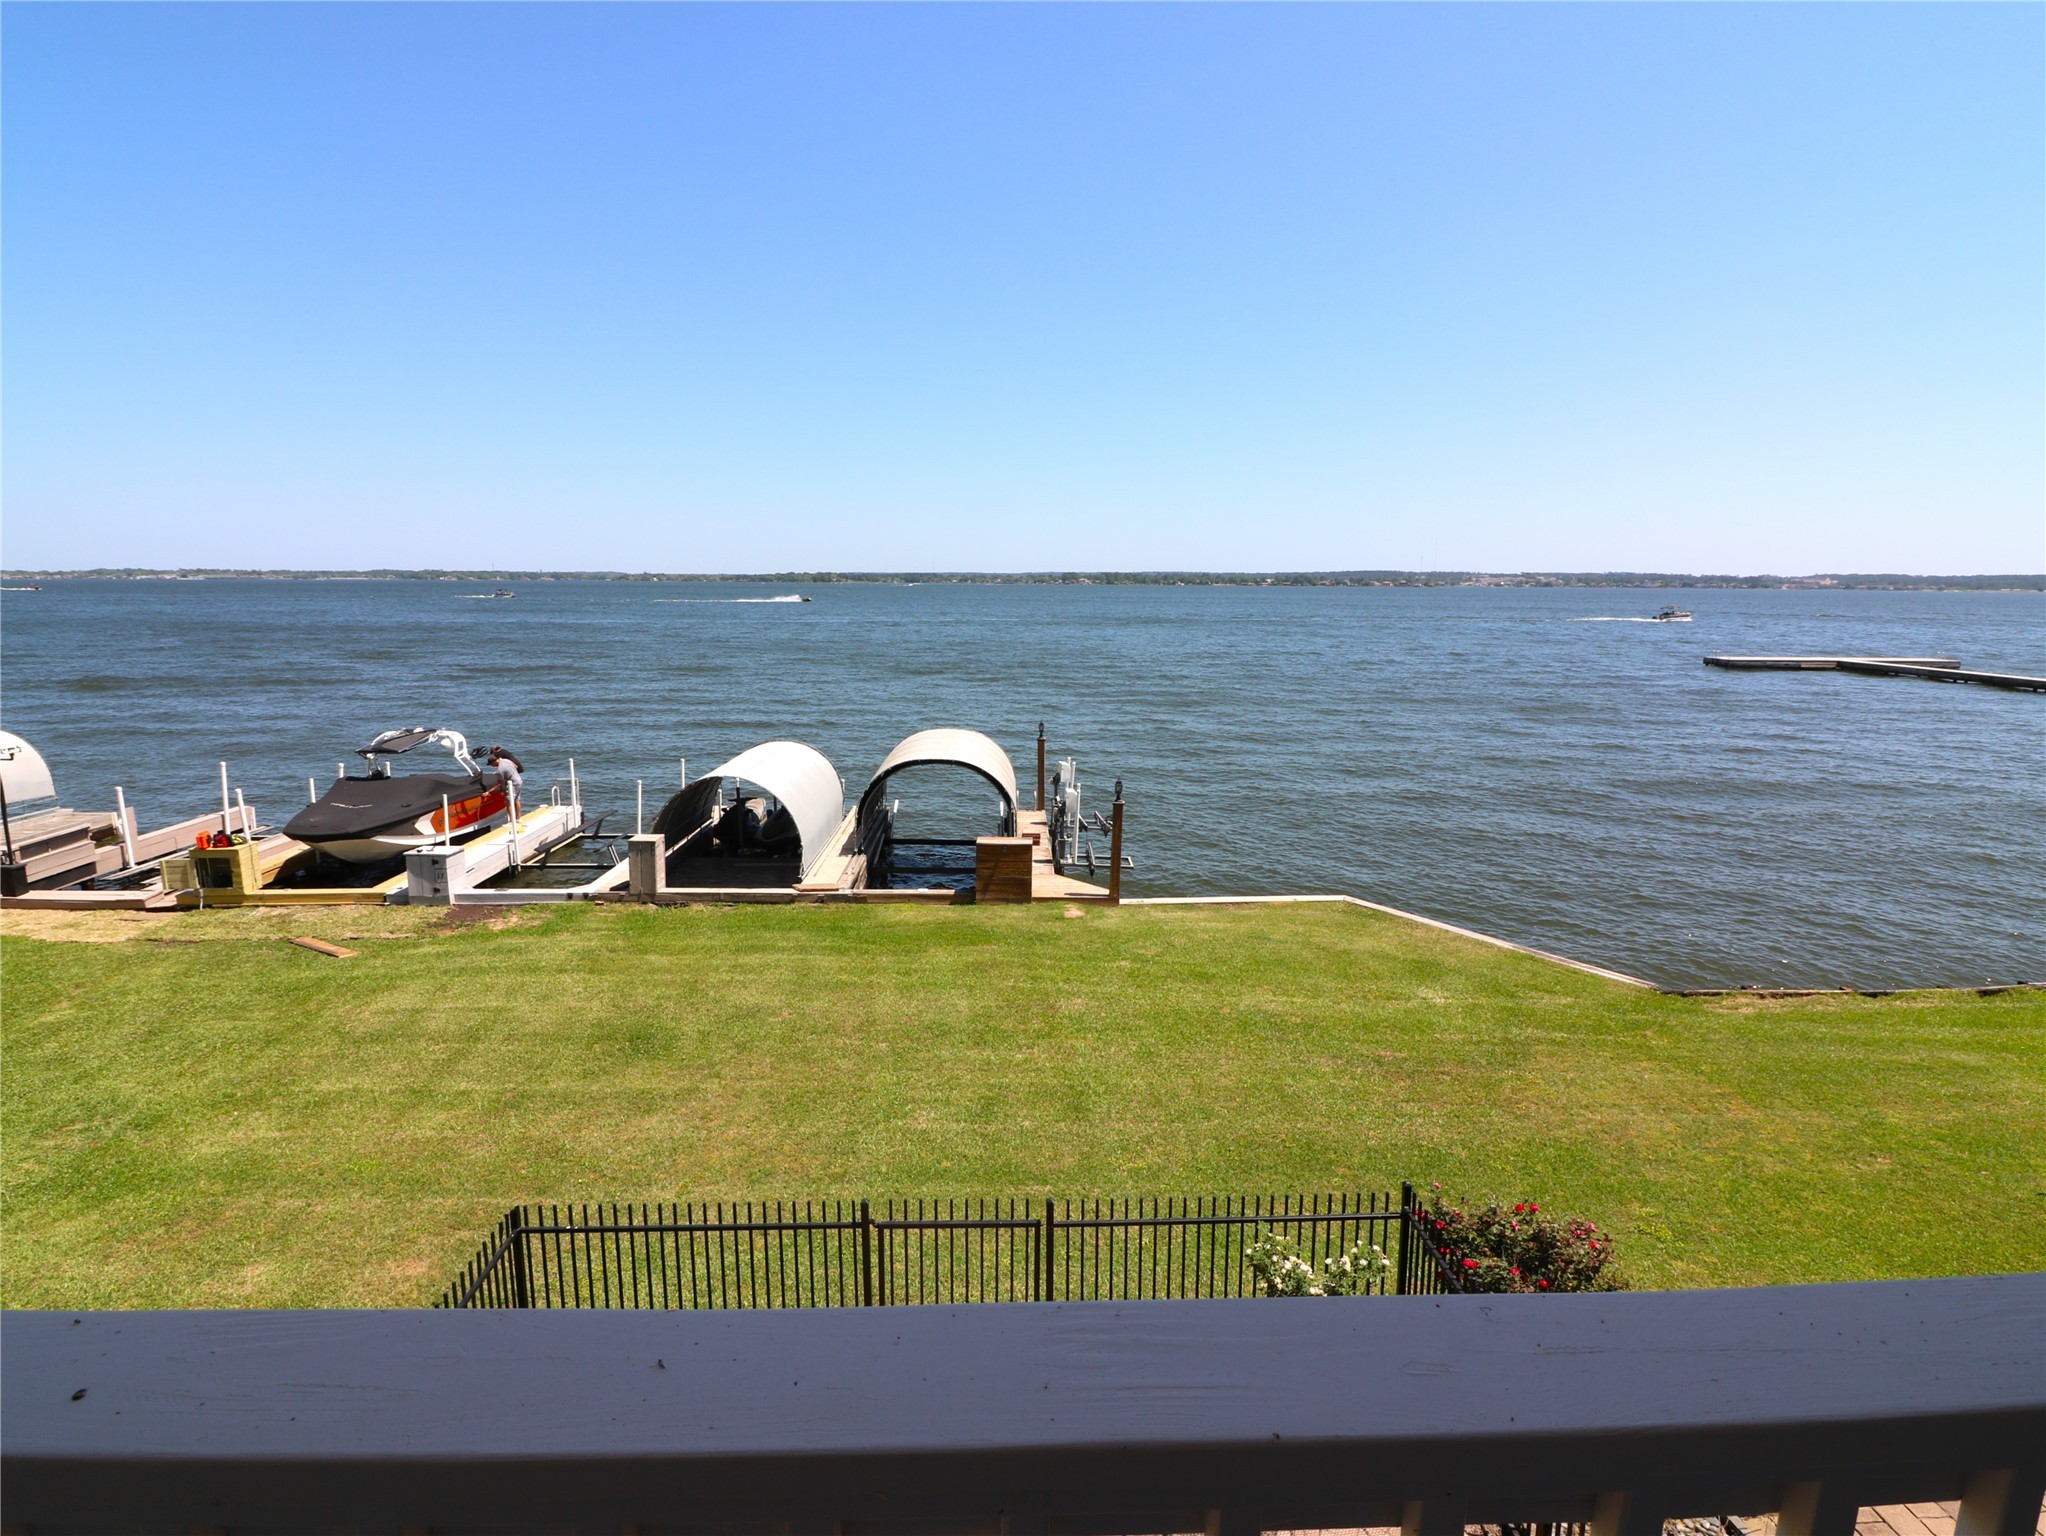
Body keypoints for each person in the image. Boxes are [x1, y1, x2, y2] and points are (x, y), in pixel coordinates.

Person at [485, 746, 524, 815]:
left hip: (513, 785)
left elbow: (500, 783)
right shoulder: (506, 760)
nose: (492, 766)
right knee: (517, 800)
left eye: (491, 764)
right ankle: (518, 817)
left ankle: (512, 819)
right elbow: (516, 766)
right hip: (519, 781)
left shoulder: (500, 770)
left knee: (507, 803)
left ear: (494, 762)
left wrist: (489, 791)